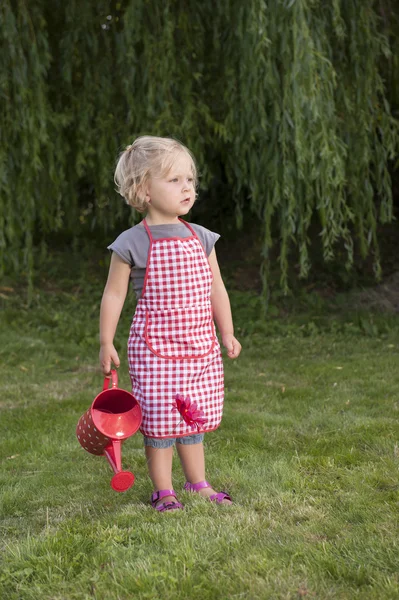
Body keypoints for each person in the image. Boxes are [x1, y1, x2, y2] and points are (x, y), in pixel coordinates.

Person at [99, 136, 241, 512]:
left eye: (190, 180)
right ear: (144, 190)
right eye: (175, 180)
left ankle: (198, 483)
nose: (187, 188)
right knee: (161, 424)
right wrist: (105, 341)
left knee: (192, 420)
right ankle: (164, 490)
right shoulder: (132, 243)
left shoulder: (201, 237)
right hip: (155, 351)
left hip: (198, 347)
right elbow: (113, 295)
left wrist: (226, 330)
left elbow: (217, 290)